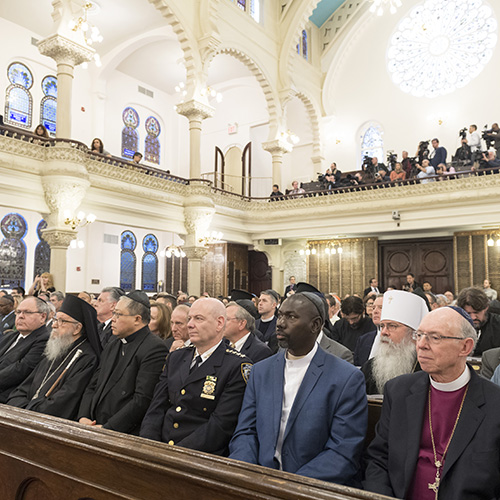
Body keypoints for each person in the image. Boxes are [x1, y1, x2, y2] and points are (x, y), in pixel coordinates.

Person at [229, 292, 367, 485]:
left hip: (312, 487)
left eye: (291, 317)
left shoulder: (345, 378)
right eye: (281, 315)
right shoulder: (261, 371)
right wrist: (249, 475)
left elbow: (342, 452)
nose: (280, 323)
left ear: (315, 325)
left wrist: (289, 485)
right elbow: (245, 432)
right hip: (258, 481)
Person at [364, 306, 500, 500]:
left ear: (465, 347)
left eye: (435, 337)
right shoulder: (399, 391)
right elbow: (378, 459)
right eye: (419, 335)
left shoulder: (495, 403)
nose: (421, 345)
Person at [140, 298, 252, 455]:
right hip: (161, 449)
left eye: (198, 319)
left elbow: (220, 426)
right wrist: (149, 445)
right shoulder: (176, 358)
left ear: (219, 323)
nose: (190, 324)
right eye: (189, 319)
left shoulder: (235, 366)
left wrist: (176, 454)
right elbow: (157, 407)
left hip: (198, 456)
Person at [78, 291, 168, 434]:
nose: (113, 319)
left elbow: (142, 400)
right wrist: (83, 417)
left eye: (118, 314)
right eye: (114, 313)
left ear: (137, 319)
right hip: (93, 425)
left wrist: (108, 428)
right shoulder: (113, 344)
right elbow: (93, 385)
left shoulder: (154, 348)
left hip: (121, 431)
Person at [7, 295, 101, 419]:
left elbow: (63, 402)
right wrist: (21, 406)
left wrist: (28, 410)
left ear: (77, 328)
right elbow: (23, 388)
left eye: (62, 321)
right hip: (27, 415)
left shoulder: (87, 358)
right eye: (55, 319)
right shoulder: (54, 350)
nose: (54, 325)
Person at [361, 290, 428, 394]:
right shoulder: (369, 367)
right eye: (382, 326)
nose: (383, 332)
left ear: (413, 333)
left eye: (392, 326)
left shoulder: (426, 369)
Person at [0, 297, 50, 402]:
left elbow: (21, 369)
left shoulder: (44, 340)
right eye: (18, 312)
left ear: (42, 317)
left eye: (27, 312)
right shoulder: (10, 336)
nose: (20, 316)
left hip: (8, 395)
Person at [456, 286, 500, 355]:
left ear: (486, 308)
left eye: (476, 312)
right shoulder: (455, 325)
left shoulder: (497, 325)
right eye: (468, 313)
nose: (472, 317)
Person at [353, 294, 382, 366]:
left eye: (380, 307)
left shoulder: (397, 340)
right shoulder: (363, 340)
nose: (375, 311)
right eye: (373, 308)